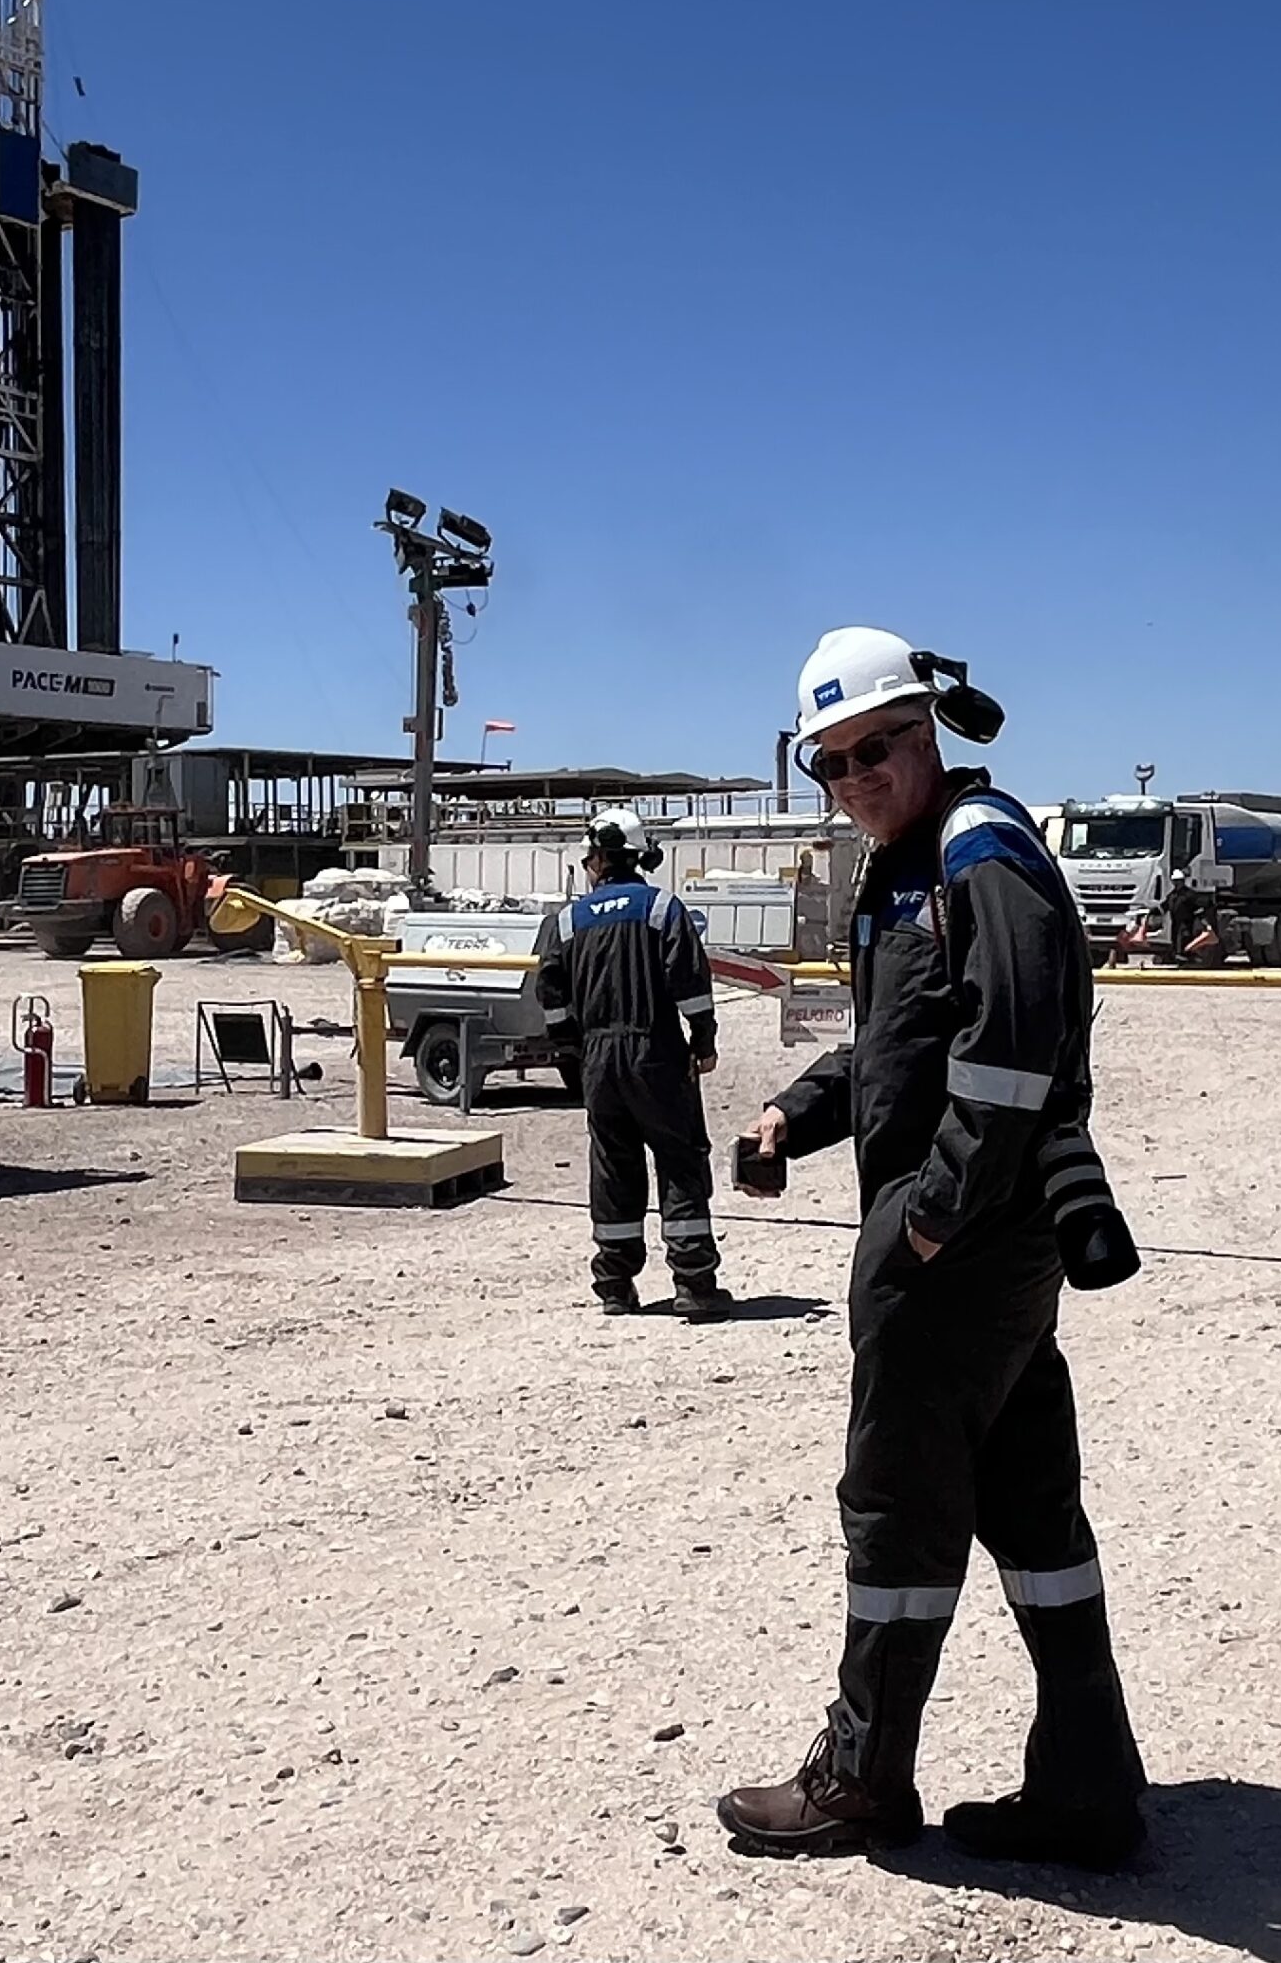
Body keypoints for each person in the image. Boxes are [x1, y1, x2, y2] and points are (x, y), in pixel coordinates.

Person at [715, 627, 1146, 1868]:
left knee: (894, 1506)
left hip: (954, 1249)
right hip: (987, 1249)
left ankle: (861, 1778)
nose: (856, 778)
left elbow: (1011, 1045)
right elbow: (897, 1046)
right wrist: (790, 1115)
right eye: (831, 762)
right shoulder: (908, 869)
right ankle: (1085, 1783)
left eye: (876, 749)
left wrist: (930, 1214)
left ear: (927, 731)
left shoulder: (975, 849)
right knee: (1030, 1512)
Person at [532, 806, 732, 1322]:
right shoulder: (662, 908)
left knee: (613, 1164)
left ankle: (615, 1285)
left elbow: (550, 989)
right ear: (638, 855)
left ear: (598, 858)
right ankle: (694, 1283)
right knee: (680, 1158)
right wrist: (703, 1040)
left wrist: (571, 1044)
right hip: (657, 1054)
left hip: (597, 1058)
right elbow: (690, 981)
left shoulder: (569, 920)